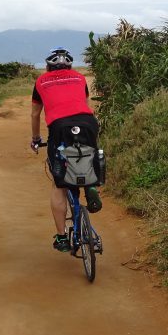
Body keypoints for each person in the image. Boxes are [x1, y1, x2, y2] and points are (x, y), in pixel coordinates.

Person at [30, 47, 102, 252]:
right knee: (86, 155)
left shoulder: (41, 82)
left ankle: (62, 237)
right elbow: (86, 104)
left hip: (60, 128)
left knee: (59, 185)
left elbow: (35, 114)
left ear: (47, 67)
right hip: (88, 124)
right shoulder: (79, 78)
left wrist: (36, 139)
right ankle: (90, 185)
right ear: (69, 66)